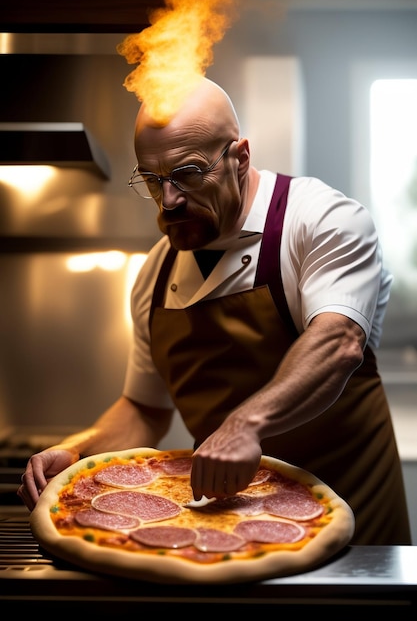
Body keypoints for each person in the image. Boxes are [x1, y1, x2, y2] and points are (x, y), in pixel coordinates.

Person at [18, 76, 411, 545]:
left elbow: (339, 342)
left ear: (240, 158)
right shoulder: (154, 276)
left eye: (187, 174)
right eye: (152, 179)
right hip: (228, 541)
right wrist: (78, 451)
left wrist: (246, 425)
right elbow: (144, 409)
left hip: (357, 535)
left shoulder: (321, 221)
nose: (169, 201)